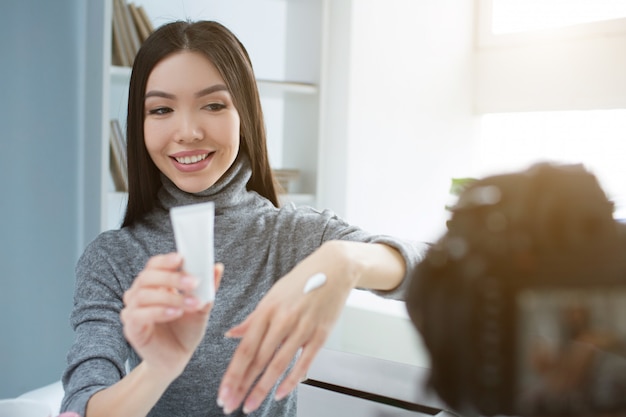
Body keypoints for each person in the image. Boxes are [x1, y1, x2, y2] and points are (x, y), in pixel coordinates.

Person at [61, 20, 423, 417]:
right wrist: (158, 369)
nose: (187, 131)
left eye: (213, 105)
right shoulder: (114, 258)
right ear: (140, 123)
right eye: (161, 109)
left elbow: (439, 270)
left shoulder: (291, 237)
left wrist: (346, 260)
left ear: (244, 114)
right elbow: (83, 405)